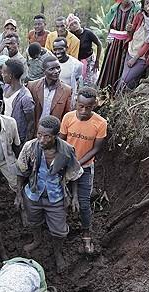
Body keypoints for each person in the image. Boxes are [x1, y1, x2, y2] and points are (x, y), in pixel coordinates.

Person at [15, 115, 82, 273]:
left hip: (56, 197)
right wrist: (18, 195)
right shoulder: (30, 147)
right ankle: (37, 240)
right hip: (33, 195)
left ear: (56, 136)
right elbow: (21, 171)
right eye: (39, 134)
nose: (42, 139)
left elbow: (74, 175)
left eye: (47, 136)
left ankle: (57, 251)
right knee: (34, 222)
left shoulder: (67, 151)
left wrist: (75, 198)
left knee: (59, 231)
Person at [59, 87, 107, 254]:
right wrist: (65, 162)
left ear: (94, 105)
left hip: (85, 167)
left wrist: (78, 163)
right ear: (76, 103)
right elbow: (61, 141)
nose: (84, 110)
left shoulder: (100, 123)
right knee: (60, 198)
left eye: (88, 107)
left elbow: (96, 149)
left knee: (84, 204)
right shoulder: (68, 118)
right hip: (65, 165)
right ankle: (60, 230)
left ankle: (86, 233)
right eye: (81, 106)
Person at [118, 0, 149, 93]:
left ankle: (123, 97)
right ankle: (120, 99)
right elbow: (132, 33)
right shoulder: (140, 15)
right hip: (132, 49)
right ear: (143, 6)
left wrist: (135, 59)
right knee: (124, 79)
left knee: (126, 79)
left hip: (144, 56)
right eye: (147, 3)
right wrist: (129, 30)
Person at [97, 0, 140, 91]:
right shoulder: (114, 8)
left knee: (121, 67)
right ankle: (104, 92)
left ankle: (117, 92)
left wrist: (131, 30)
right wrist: (109, 37)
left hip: (127, 43)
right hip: (113, 44)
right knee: (110, 66)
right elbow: (109, 25)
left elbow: (138, 29)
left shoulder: (136, 9)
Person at [27, 56, 72, 128]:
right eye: (51, 69)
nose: (56, 71)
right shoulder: (32, 86)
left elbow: (66, 115)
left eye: (58, 68)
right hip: (35, 131)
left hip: (53, 133)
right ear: (43, 71)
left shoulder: (67, 90)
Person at [1, 59, 36, 143]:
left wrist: (25, 143)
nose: (2, 75)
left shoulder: (25, 97)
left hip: (18, 136)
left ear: (11, 75)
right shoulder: (6, 87)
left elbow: (31, 122)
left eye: (4, 73)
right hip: (5, 131)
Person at [67, 14, 103, 87]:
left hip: (90, 60)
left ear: (79, 23)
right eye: (71, 25)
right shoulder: (71, 36)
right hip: (78, 61)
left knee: (89, 82)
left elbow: (99, 44)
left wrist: (97, 61)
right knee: (78, 81)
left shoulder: (88, 33)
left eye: (75, 23)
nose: (74, 25)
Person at [53, 37, 83, 108]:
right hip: (53, 98)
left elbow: (79, 83)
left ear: (66, 48)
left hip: (68, 99)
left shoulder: (76, 65)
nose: (57, 52)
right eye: (55, 49)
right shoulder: (51, 63)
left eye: (60, 49)